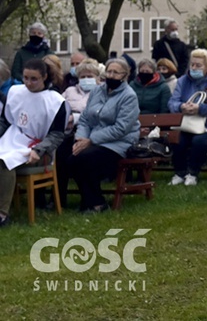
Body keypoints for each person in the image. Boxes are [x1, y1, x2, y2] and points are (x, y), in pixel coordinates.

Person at [67, 58, 140, 212]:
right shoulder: (97, 91)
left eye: (116, 72)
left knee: (84, 158)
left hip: (119, 143)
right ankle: (91, 200)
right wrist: (80, 138)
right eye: (109, 71)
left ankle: (95, 203)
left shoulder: (129, 96)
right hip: (92, 140)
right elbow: (85, 118)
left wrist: (91, 140)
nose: (111, 75)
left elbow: (121, 128)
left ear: (124, 76)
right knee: (70, 155)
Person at [0, 59, 67, 226]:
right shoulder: (15, 92)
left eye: (34, 79)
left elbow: (57, 134)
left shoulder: (55, 101)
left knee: (4, 162)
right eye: (25, 78)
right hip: (11, 139)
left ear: (44, 77)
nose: (28, 83)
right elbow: (5, 121)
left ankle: (2, 214)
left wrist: (39, 150)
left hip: (37, 148)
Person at [167, 48, 207, 186]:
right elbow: (173, 101)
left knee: (199, 141)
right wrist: (181, 107)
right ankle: (179, 173)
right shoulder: (183, 81)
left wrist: (200, 108)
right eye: (192, 65)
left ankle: (193, 173)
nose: (194, 68)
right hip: (186, 122)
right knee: (177, 139)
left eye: (198, 65)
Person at [58, 59, 101, 207]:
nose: (86, 79)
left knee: (78, 156)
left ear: (97, 77)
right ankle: (58, 198)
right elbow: (58, 108)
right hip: (69, 132)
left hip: (92, 134)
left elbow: (96, 115)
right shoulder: (69, 91)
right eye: (82, 76)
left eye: (90, 76)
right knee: (60, 155)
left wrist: (75, 117)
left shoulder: (101, 92)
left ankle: (88, 197)